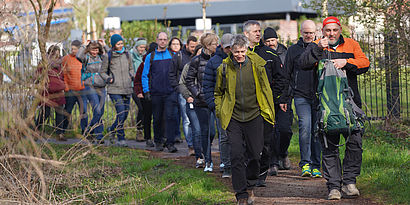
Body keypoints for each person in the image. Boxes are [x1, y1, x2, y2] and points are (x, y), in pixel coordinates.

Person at [298, 16, 370, 200]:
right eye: (328, 30)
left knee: (355, 143)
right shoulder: (316, 46)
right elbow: (303, 63)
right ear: (323, 31)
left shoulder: (352, 45)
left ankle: (349, 182)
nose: (331, 34)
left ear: (340, 30)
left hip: (350, 104)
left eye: (334, 30)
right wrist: (317, 48)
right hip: (325, 106)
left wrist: (347, 63)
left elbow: (365, 63)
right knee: (329, 146)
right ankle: (334, 187)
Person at [214, 34, 275, 205]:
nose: (239, 55)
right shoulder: (224, 69)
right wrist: (220, 110)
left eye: (242, 51)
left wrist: (269, 112)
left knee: (256, 154)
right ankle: (241, 194)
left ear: (247, 50)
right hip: (233, 117)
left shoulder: (257, 66)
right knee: (236, 155)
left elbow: (266, 90)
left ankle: (250, 185)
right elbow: (218, 92)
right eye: (236, 52)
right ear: (231, 51)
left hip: (254, 115)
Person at [243, 20, 286, 186]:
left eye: (259, 31)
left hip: (267, 106)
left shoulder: (269, 54)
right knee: (249, 142)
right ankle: (249, 173)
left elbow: (281, 78)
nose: (258, 34)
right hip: (247, 106)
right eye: (255, 31)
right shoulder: (240, 53)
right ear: (246, 34)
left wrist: (274, 98)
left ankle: (262, 173)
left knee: (266, 142)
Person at [284, 20, 323, 178]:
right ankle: (305, 163)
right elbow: (286, 74)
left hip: (318, 96)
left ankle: (316, 165)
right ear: (301, 32)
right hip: (300, 95)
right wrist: (285, 98)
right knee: (305, 128)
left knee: (317, 130)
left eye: (311, 32)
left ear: (315, 33)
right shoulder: (293, 50)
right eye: (306, 32)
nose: (308, 35)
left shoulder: (321, 48)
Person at [185, 33, 218, 172]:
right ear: (207, 46)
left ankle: (219, 160)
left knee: (213, 132)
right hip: (202, 101)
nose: (217, 46)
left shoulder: (219, 60)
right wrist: (197, 93)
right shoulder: (196, 61)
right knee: (204, 130)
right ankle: (208, 161)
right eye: (214, 44)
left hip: (216, 100)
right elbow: (189, 80)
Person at [263, 27, 293, 174]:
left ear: (277, 40)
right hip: (268, 99)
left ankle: (283, 153)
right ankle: (273, 161)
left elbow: (289, 76)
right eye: (267, 41)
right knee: (271, 132)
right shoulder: (263, 54)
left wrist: (285, 97)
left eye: (272, 40)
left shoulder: (285, 53)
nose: (270, 43)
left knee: (285, 130)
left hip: (284, 98)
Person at [142, 32, 179, 153]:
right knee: (157, 118)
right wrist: (146, 91)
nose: (163, 41)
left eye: (165, 39)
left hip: (170, 92)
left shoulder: (172, 55)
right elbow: (145, 75)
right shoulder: (150, 57)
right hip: (156, 93)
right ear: (157, 40)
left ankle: (170, 143)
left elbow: (177, 73)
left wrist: (177, 87)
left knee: (170, 117)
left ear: (167, 41)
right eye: (161, 39)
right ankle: (158, 142)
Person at [203, 33, 233, 178]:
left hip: (238, 105)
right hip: (220, 105)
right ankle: (226, 165)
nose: (230, 50)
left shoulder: (239, 59)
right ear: (222, 46)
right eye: (227, 47)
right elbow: (207, 85)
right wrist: (213, 105)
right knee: (224, 135)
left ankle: (238, 163)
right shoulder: (213, 62)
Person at [102, 34, 134, 147]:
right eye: (118, 44)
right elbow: (102, 72)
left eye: (122, 43)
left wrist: (132, 75)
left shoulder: (127, 54)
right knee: (120, 113)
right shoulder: (108, 56)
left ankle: (111, 129)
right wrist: (108, 78)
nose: (121, 46)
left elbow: (131, 68)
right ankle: (121, 138)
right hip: (114, 89)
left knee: (125, 114)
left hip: (127, 88)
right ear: (114, 45)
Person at [169, 36, 198, 154]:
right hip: (183, 92)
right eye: (192, 47)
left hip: (197, 92)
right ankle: (191, 145)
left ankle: (198, 144)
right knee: (187, 120)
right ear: (186, 45)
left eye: (195, 47)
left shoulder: (198, 56)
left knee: (198, 119)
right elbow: (172, 74)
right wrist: (178, 88)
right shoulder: (179, 57)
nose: (193, 49)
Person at [77, 39, 109, 142]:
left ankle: (89, 131)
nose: (94, 52)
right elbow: (78, 56)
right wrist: (83, 45)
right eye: (92, 50)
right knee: (97, 110)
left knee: (101, 112)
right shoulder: (86, 58)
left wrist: (105, 45)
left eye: (96, 50)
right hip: (90, 86)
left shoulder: (102, 57)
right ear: (89, 50)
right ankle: (99, 136)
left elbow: (110, 55)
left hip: (101, 86)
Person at [178, 44, 204, 168]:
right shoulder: (188, 66)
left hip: (205, 103)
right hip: (192, 102)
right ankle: (199, 156)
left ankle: (207, 154)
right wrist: (188, 96)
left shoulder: (209, 65)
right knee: (197, 129)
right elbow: (182, 84)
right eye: (198, 53)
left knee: (208, 131)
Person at [35, 45, 66, 141]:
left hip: (59, 91)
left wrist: (63, 84)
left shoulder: (61, 64)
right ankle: (36, 130)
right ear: (50, 53)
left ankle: (59, 134)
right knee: (45, 113)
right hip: (47, 92)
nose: (57, 56)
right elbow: (38, 75)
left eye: (58, 53)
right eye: (55, 53)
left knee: (59, 113)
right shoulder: (44, 63)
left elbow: (63, 75)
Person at [134, 42, 158, 147]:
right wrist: (139, 92)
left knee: (159, 116)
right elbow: (137, 80)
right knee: (147, 116)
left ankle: (159, 137)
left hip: (159, 92)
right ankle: (147, 137)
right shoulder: (144, 64)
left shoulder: (161, 61)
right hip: (146, 93)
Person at [62, 40, 87, 135]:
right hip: (71, 90)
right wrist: (66, 88)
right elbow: (63, 74)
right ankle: (62, 130)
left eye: (75, 49)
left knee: (84, 110)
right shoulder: (66, 59)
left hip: (82, 89)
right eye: (71, 49)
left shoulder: (84, 58)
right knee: (68, 111)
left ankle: (84, 131)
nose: (73, 51)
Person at [130, 37, 147, 141]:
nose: (142, 49)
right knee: (141, 107)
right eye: (141, 47)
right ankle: (139, 130)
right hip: (133, 85)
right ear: (137, 46)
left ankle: (145, 131)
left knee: (145, 109)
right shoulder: (131, 56)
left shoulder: (145, 57)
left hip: (144, 86)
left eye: (144, 47)